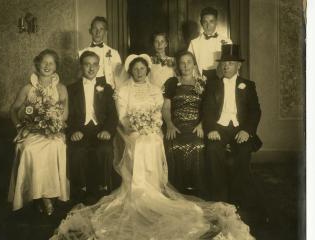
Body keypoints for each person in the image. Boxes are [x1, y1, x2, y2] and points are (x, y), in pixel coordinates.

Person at [50, 54, 255, 240]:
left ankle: (153, 186)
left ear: (147, 70)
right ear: (130, 71)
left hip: (151, 129)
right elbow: (121, 117)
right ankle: (138, 188)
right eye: (136, 69)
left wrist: (151, 125)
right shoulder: (123, 90)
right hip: (130, 130)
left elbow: (158, 114)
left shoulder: (156, 90)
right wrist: (136, 126)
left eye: (142, 69)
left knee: (154, 140)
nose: (139, 72)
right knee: (139, 142)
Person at [8, 49, 69, 215]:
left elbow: (64, 115)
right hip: (32, 131)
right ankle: (37, 196)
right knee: (28, 149)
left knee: (55, 146)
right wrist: (20, 127)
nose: (47, 66)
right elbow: (13, 110)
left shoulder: (61, 88)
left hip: (52, 132)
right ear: (37, 63)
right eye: (44, 62)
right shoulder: (28, 88)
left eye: (51, 63)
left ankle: (48, 195)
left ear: (56, 66)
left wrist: (52, 122)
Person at [203, 44, 262, 205]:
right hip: (219, 127)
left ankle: (238, 197)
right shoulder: (212, 84)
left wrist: (247, 131)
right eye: (224, 63)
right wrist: (211, 129)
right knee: (213, 149)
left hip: (239, 128)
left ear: (238, 65)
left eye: (230, 63)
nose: (226, 66)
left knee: (243, 150)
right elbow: (206, 110)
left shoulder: (248, 85)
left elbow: (255, 112)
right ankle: (219, 197)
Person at [67, 51, 118, 201]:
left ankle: (103, 186)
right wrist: (73, 131)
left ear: (98, 67)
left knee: (105, 149)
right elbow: (66, 115)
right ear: (81, 66)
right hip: (80, 130)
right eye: (87, 64)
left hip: (100, 130)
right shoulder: (71, 89)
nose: (91, 68)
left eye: (94, 65)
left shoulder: (106, 88)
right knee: (77, 150)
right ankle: (80, 188)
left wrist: (108, 130)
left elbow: (112, 114)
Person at [162, 51, 207, 198]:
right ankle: (177, 189)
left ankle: (196, 189)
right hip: (176, 125)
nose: (186, 65)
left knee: (199, 144)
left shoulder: (202, 83)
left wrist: (201, 125)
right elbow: (166, 107)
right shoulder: (171, 82)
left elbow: (209, 108)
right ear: (178, 66)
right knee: (173, 145)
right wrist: (169, 124)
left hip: (196, 125)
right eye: (182, 62)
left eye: (189, 62)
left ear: (194, 64)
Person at [188, 7, 232, 81]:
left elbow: (232, 64)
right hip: (200, 80)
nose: (208, 26)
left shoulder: (227, 41)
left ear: (216, 22)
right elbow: (189, 64)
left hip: (222, 79)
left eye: (211, 21)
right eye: (205, 22)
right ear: (201, 23)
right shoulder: (194, 43)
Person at [78, 16, 122, 89]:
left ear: (106, 32)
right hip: (88, 86)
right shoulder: (81, 53)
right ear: (90, 31)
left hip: (108, 87)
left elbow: (119, 76)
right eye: (95, 28)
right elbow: (79, 76)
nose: (98, 32)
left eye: (101, 29)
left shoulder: (114, 53)